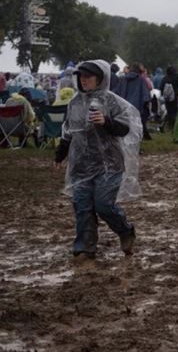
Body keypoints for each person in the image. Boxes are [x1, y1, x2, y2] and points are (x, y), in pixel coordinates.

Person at [53, 60, 142, 260]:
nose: (84, 80)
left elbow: (126, 127)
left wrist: (106, 121)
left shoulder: (112, 101)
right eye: (81, 77)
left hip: (109, 164)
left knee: (103, 204)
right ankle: (85, 246)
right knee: (82, 205)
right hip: (81, 164)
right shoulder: (75, 102)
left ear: (100, 78)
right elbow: (68, 131)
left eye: (89, 77)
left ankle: (125, 231)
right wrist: (60, 154)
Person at [115, 63, 152, 141]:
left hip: (123, 106)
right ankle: (135, 142)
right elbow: (146, 95)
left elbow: (116, 92)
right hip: (136, 107)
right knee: (135, 127)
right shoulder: (141, 80)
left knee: (125, 125)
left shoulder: (123, 79)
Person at [160, 66, 178, 131]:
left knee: (169, 110)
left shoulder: (165, 78)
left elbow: (161, 86)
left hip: (167, 97)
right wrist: (177, 91)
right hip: (174, 97)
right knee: (174, 111)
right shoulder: (176, 77)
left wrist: (164, 93)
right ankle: (172, 126)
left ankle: (167, 124)